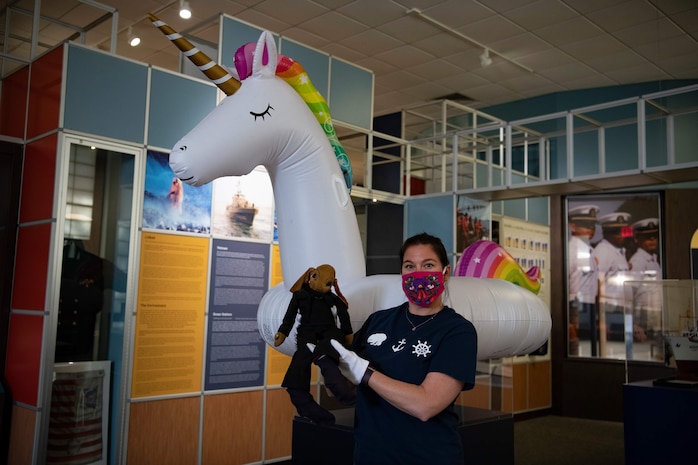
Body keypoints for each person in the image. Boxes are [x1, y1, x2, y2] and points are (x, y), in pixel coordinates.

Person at [322, 232, 478, 465]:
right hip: (370, 455)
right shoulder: (378, 321)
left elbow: (426, 404)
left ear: (445, 272)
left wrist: (365, 372)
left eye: (428, 265)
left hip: (427, 457)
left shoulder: (457, 332)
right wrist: (328, 360)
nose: (418, 274)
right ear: (402, 273)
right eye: (409, 266)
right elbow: (342, 390)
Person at [591, 212, 632, 347]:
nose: (621, 235)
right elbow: (596, 284)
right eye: (616, 232)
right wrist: (600, 319)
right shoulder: (603, 251)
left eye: (623, 231)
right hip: (608, 312)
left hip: (621, 311)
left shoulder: (619, 251)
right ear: (605, 233)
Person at [567, 204, 600, 356]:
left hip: (589, 305)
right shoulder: (571, 251)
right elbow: (563, 283)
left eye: (592, 225)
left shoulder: (589, 250)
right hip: (574, 306)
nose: (590, 229)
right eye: (586, 225)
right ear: (572, 227)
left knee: (588, 350)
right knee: (575, 349)